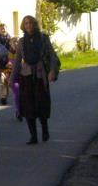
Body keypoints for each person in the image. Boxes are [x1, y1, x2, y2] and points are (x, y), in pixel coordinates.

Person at [11, 15, 61, 145]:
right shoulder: (22, 42)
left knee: (42, 104)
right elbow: (17, 62)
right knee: (28, 106)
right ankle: (33, 136)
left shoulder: (44, 39)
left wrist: (52, 71)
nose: (28, 25)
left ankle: (44, 129)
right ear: (23, 26)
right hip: (26, 76)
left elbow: (52, 56)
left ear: (34, 24)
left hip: (40, 75)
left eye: (30, 23)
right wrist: (12, 79)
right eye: (26, 23)